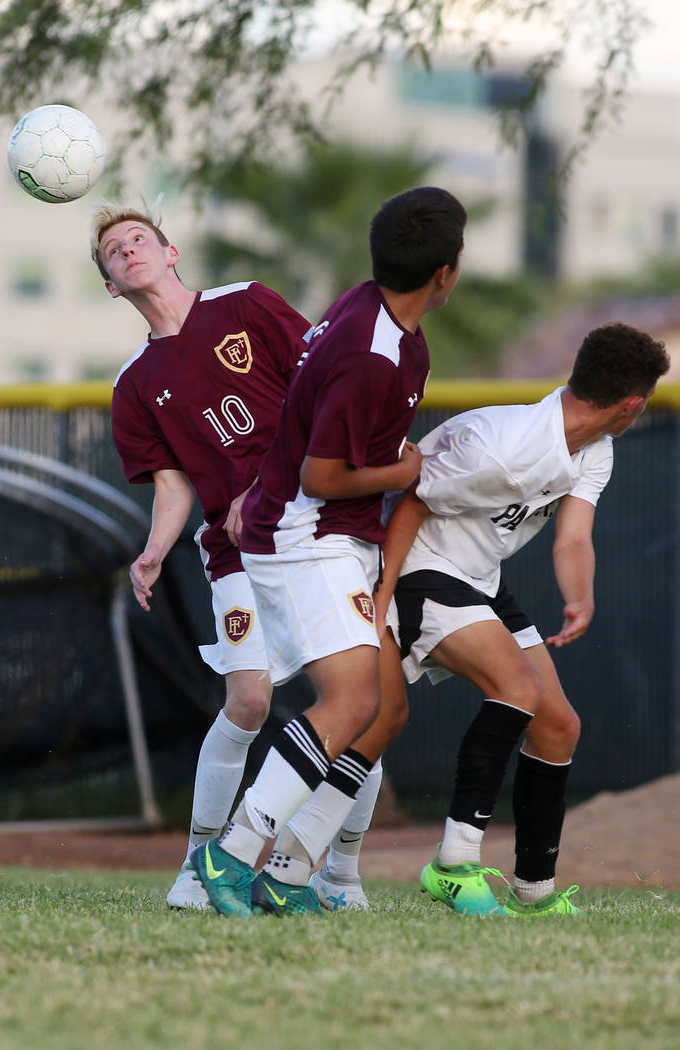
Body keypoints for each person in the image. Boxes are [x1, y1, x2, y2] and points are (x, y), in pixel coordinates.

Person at [187, 185, 468, 918]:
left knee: (385, 712)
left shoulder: (376, 316)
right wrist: (405, 472)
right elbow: (322, 473)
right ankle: (231, 853)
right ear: (446, 274)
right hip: (306, 534)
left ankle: (287, 872)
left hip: (337, 534)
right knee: (351, 701)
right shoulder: (371, 355)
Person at [94, 204, 384, 911]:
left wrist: (262, 484)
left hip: (317, 528)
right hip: (234, 551)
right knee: (250, 700)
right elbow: (173, 482)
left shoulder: (246, 303)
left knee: (355, 704)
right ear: (109, 285)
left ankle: (334, 872)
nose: (128, 250)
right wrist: (156, 548)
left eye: (138, 239)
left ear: (171, 252)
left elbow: (317, 394)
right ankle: (199, 864)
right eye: (112, 251)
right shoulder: (134, 384)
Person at [373, 322, 670, 916]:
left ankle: (534, 890)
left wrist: (579, 597)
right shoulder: (502, 445)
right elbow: (408, 504)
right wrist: (380, 604)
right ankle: (454, 866)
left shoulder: (595, 448)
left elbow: (573, 538)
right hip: (421, 569)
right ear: (632, 405)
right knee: (517, 689)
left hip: (481, 580)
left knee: (558, 725)